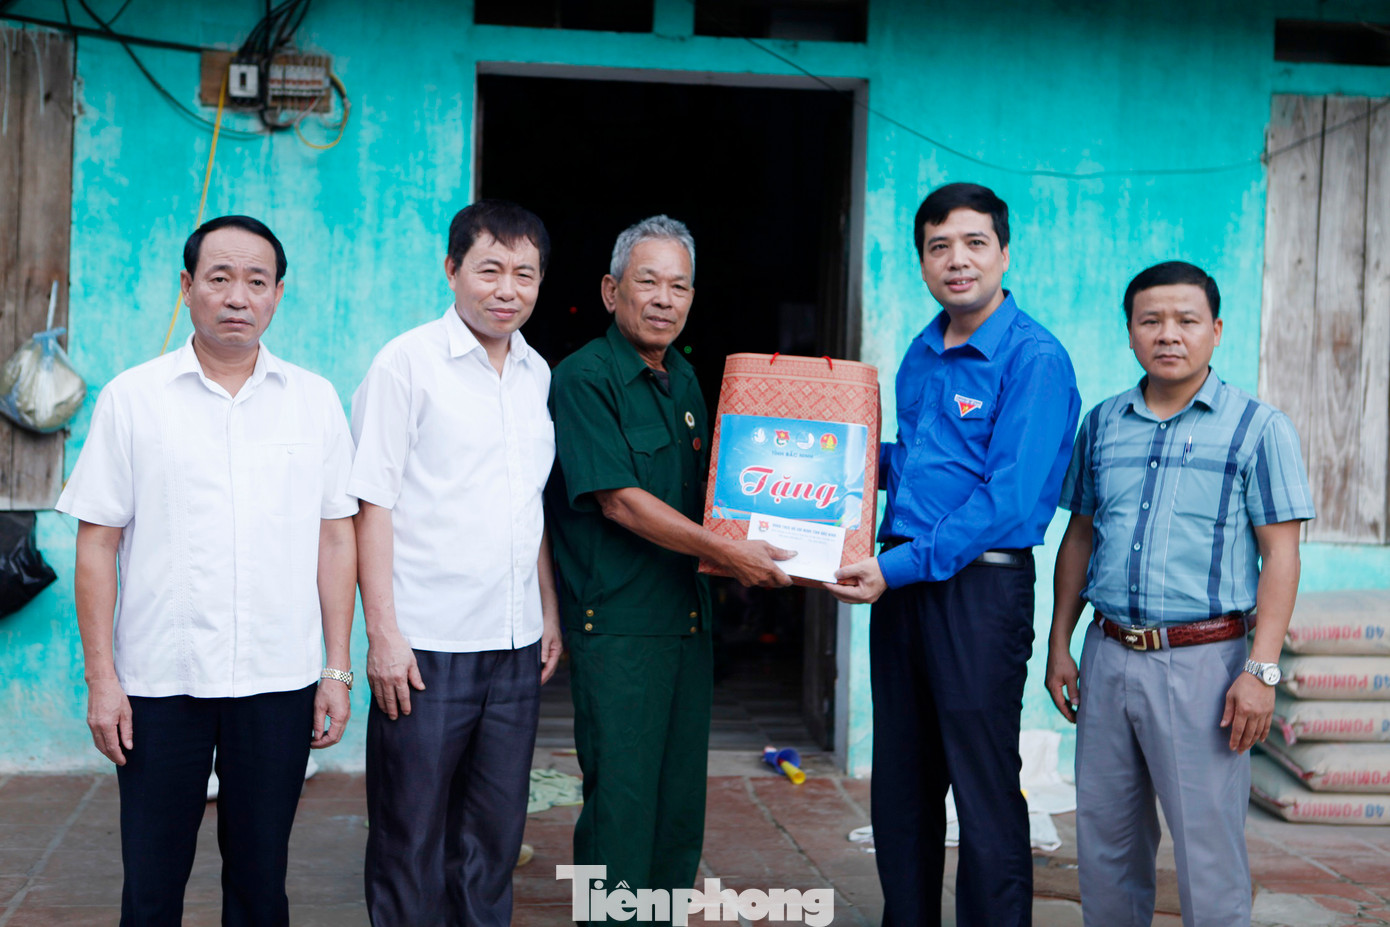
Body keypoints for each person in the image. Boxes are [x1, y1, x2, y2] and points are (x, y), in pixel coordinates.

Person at [57, 215, 358, 926]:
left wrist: (337, 669)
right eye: (219, 278)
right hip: (160, 682)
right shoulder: (134, 398)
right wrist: (103, 681)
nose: (237, 297)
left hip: (277, 680)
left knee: (261, 882)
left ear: (278, 294)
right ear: (187, 286)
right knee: (151, 885)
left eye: (256, 281)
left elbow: (335, 538)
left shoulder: (313, 399)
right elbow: (96, 544)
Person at [828, 183, 1080, 926]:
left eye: (975, 243)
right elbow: (919, 463)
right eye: (939, 247)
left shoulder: (1034, 358)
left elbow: (1007, 499)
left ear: (1004, 253)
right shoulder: (922, 350)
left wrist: (892, 568)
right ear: (922, 261)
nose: (957, 260)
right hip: (902, 585)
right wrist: (829, 459)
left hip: (979, 591)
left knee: (982, 783)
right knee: (902, 782)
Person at [1045, 261, 1313, 927]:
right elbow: (1080, 536)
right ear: (1130, 332)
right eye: (1151, 321)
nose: (1169, 334)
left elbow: (1281, 554)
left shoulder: (1258, 428)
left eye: (1186, 320)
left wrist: (1262, 670)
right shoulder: (1102, 424)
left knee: (1207, 850)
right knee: (1105, 842)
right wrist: (1059, 643)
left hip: (1205, 665)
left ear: (1215, 330)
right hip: (1108, 654)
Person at [546, 215, 793, 909]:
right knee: (622, 807)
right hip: (620, 628)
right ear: (611, 290)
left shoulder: (683, 379)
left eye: (679, 286)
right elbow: (620, 502)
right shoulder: (583, 378)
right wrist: (730, 552)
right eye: (648, 282)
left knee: (678, 807)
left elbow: (718, 498)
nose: (664, 299)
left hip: (687, 623)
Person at [349, 199, 563, 926]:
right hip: (427, 646)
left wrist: (548, 610)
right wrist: (383, 634)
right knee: (409, 833)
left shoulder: (535, 373)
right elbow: (371, 504)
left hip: (514, 644)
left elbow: (527, 502)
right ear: (452, 269)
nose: (508, 290)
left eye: (525, 274)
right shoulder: (405, 364)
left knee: (494, 836)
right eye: (489, 270)